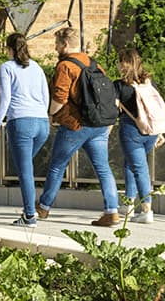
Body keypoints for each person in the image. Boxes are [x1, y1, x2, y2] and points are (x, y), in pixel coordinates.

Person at [36, 28, 121, 227]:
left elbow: (60, 98)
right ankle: (112, 211)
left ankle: (44, 207)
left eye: (57, 44)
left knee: (57, 166)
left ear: (65, 45)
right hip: (99, 125)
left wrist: (49, 115)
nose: (55, 47)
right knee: (103, 168)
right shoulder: (95, 64)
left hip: (75, 125)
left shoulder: (65, 66)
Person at [0, 33, 50, 228]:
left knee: (25, 171)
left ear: (9, 49)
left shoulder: (6, 68)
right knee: (26, 167)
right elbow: (45, 96)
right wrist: (43, 115)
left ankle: (30, 216)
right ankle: (30, 211)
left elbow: (5, 98)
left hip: (21, 122)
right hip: (42, 122)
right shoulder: (37, 67)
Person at [115, 47, 165, 224]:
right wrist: (158, 132)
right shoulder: (149, 83)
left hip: (131, 131)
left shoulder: (120, 85)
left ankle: (146, 210)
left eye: (120, 61)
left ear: (125, 64)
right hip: (151, 132)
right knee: (130, 163)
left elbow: (114, 109)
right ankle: (128, 203)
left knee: (139, 169)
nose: (119, 65)